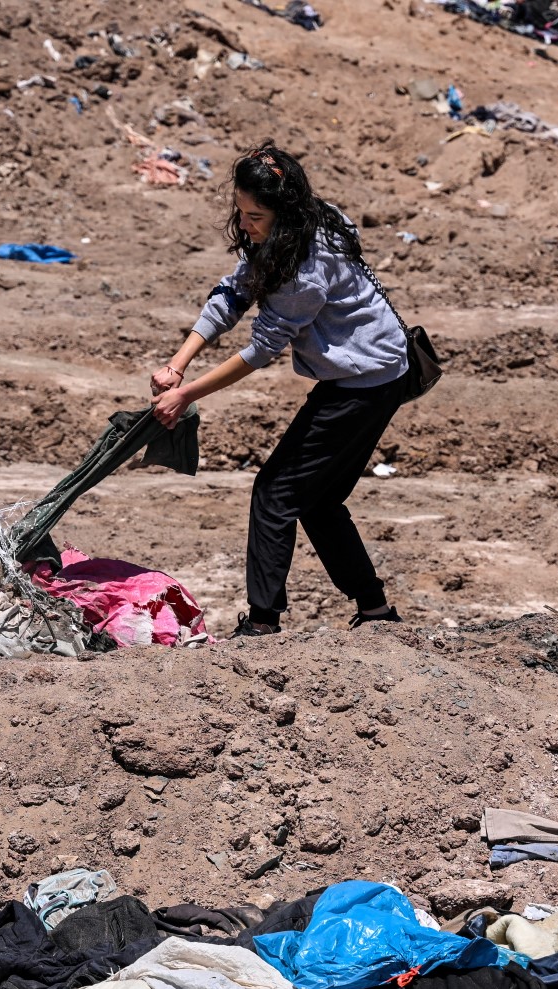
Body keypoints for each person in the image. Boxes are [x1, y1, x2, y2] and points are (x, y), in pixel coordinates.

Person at [151, 144, 409, 637]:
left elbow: (261, 348)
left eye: (256, 216)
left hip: (364, 384)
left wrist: (186, 395)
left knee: (276, 492)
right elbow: (236, 290)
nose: (245, 224)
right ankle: (375, 610)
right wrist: (177, 365)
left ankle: (263, 625)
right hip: (373, 371)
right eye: (241, 212)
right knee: (318, 500)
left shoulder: (306, 267)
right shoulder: (299, 226)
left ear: (284, 214)